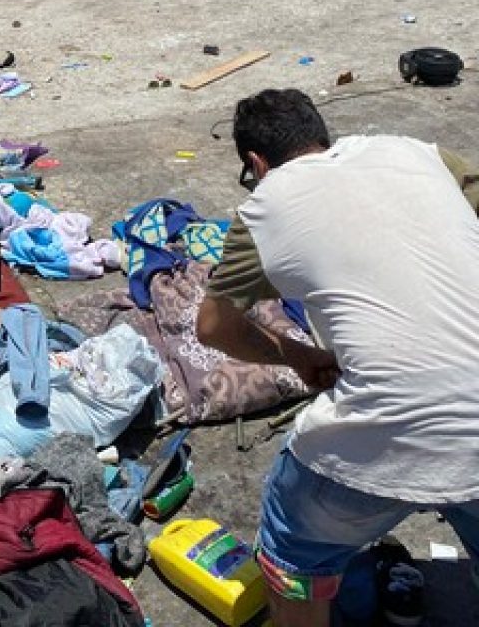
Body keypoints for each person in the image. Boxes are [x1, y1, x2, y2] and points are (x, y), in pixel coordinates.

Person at [197, 87, 479, 627]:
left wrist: (297, 354)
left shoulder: (265, 204)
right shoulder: (423, 153)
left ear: (256, 163)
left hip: (379, 435)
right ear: (320, 136)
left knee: (292, 550)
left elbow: (213, 327)